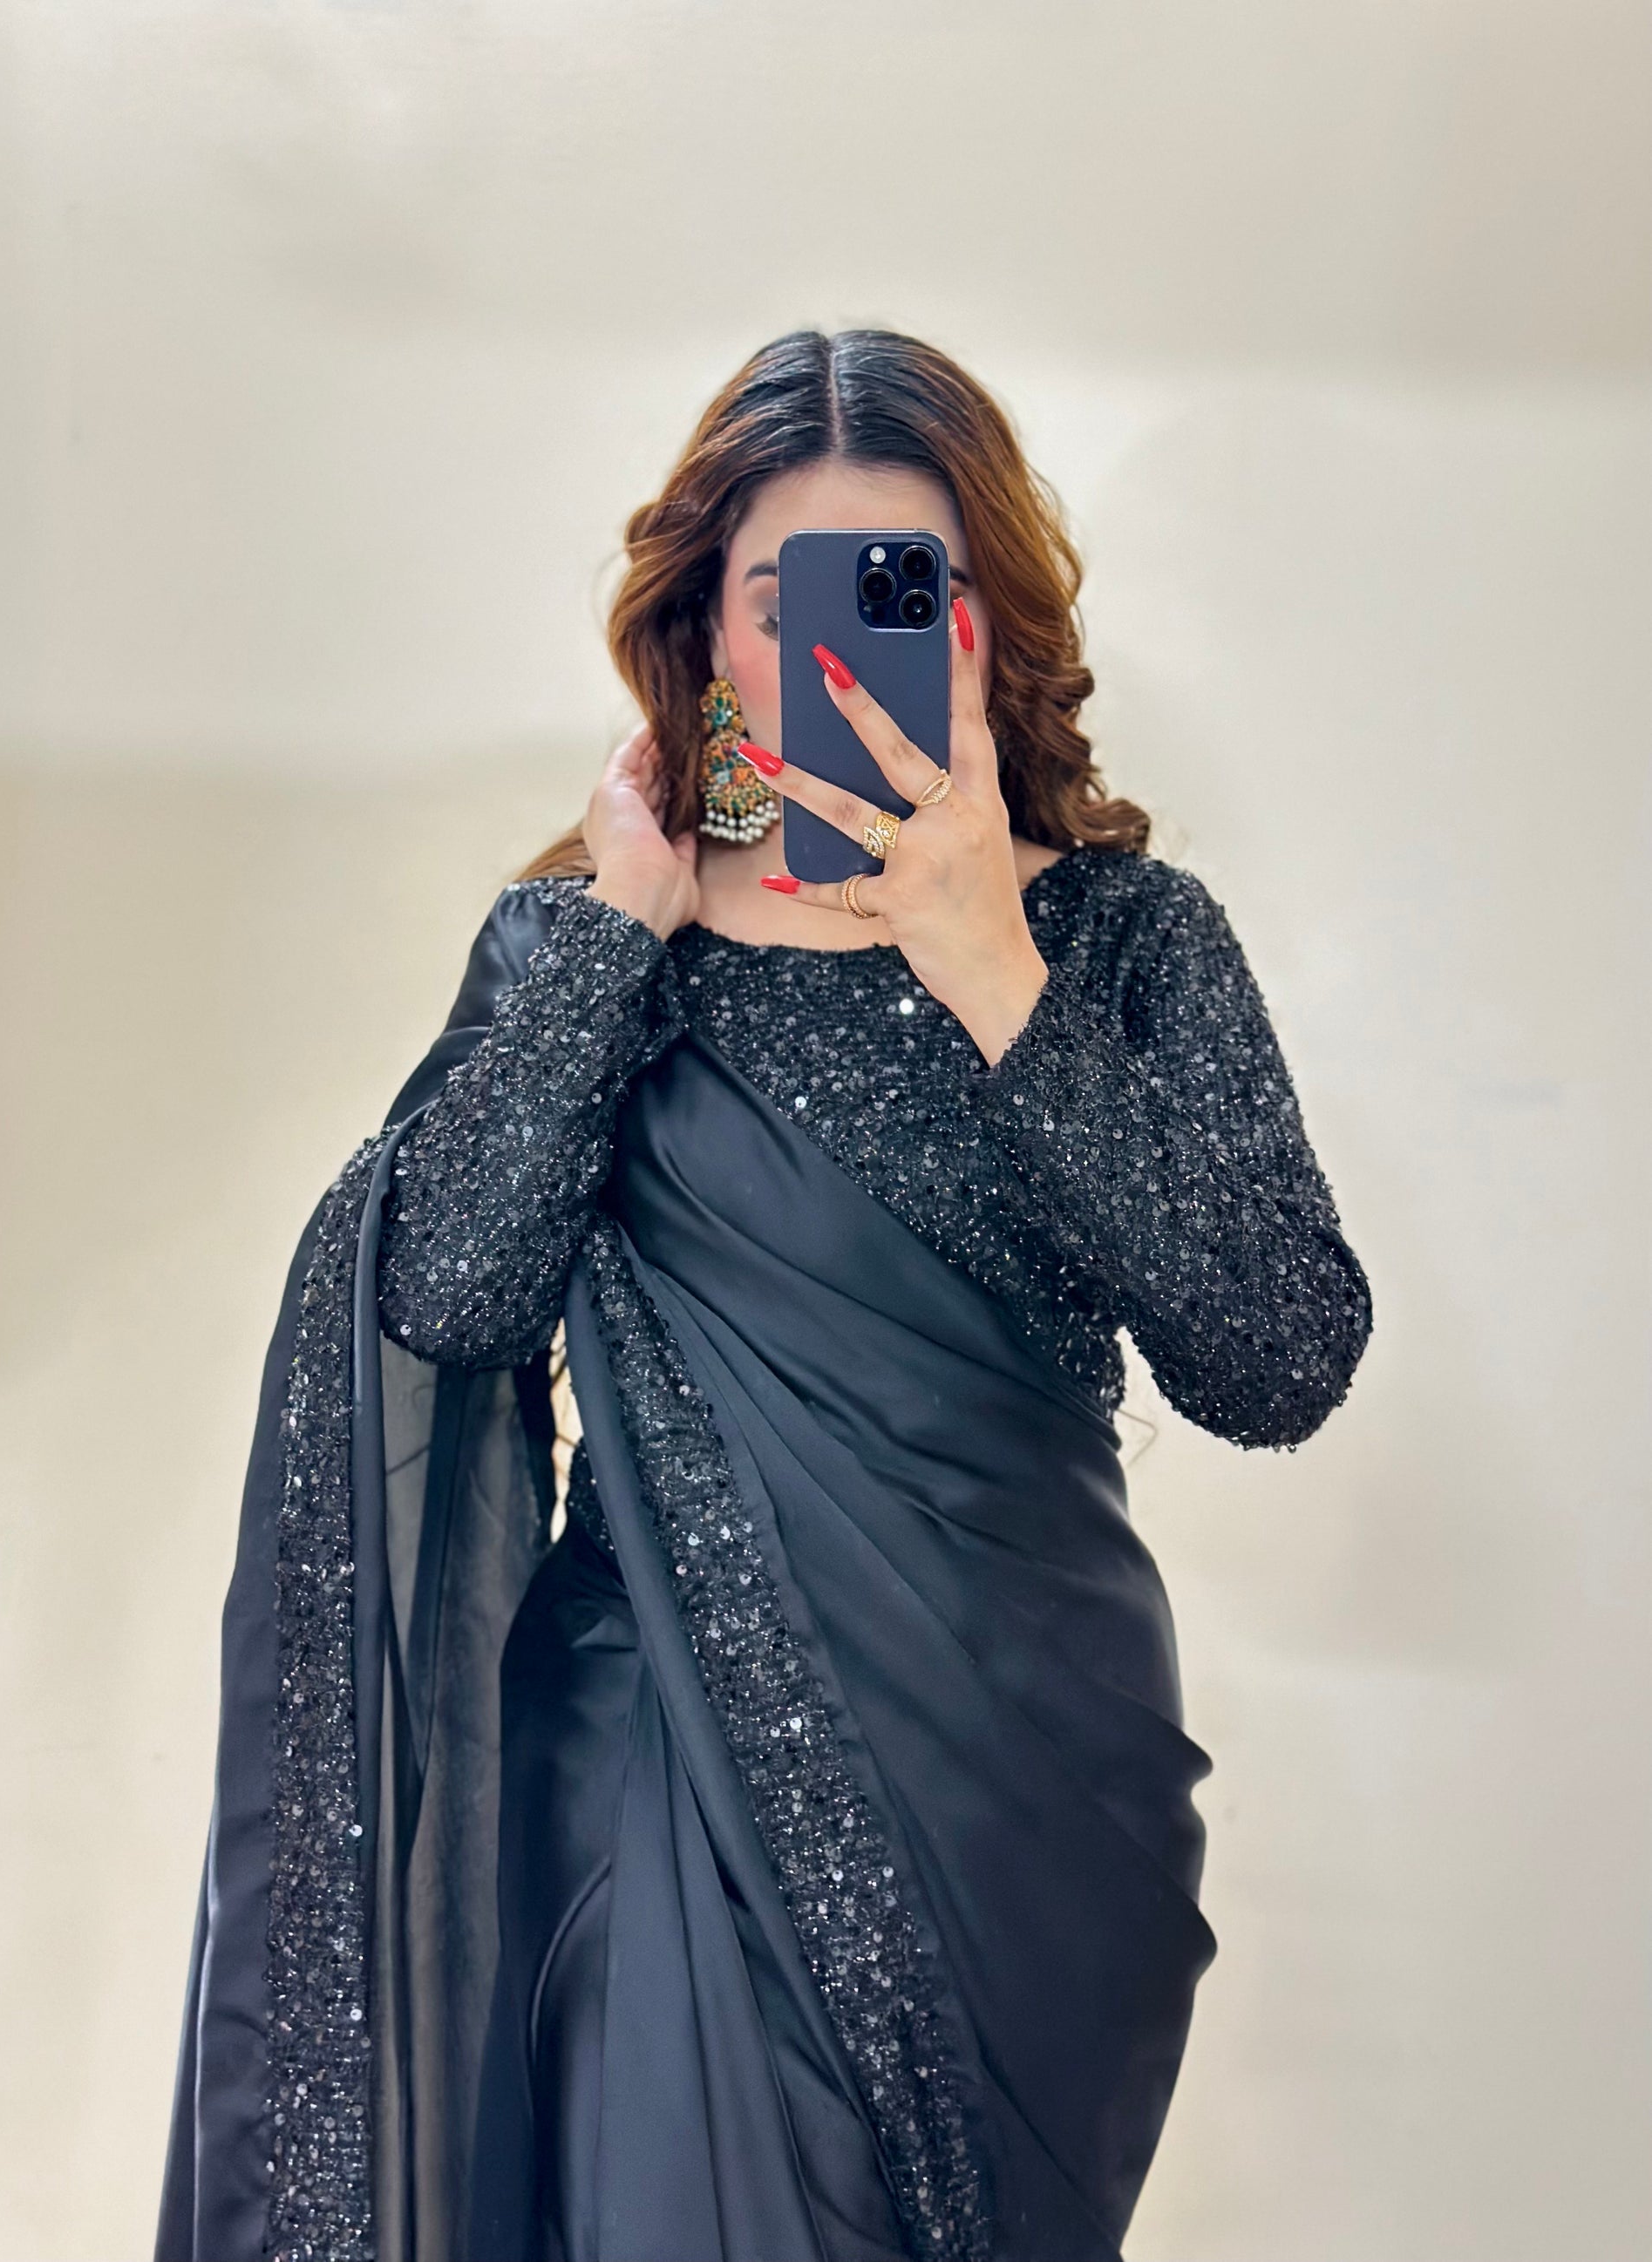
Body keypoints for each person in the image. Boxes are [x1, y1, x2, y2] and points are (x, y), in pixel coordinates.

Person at [157, 329, 1370, 2262]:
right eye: (780, 597)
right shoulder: (592, 946)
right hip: (652, 1769)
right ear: (706, 634)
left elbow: (1279, 1356)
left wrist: (994, 970)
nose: (838, 647)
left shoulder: (1120, 937)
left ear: (982, 620)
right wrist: (613, 939)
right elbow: (449, 1298)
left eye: (900, 587)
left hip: (1030, 1802)